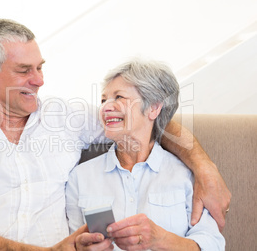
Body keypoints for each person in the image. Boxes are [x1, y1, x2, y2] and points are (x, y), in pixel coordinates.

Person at [0, 19, 230, 250]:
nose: (39, 81)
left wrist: (205, 168)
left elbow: (144, 120)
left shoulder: (65, 118)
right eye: (23, 70)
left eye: (40, 68)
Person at [66, 58, 225, 250]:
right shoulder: (80, 177)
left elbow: (213, 244)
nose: (106, 106)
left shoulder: (185, 175)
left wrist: (161, 239)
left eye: (119, 97)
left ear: (153, 108)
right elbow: (72, 242)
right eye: (103, 99)